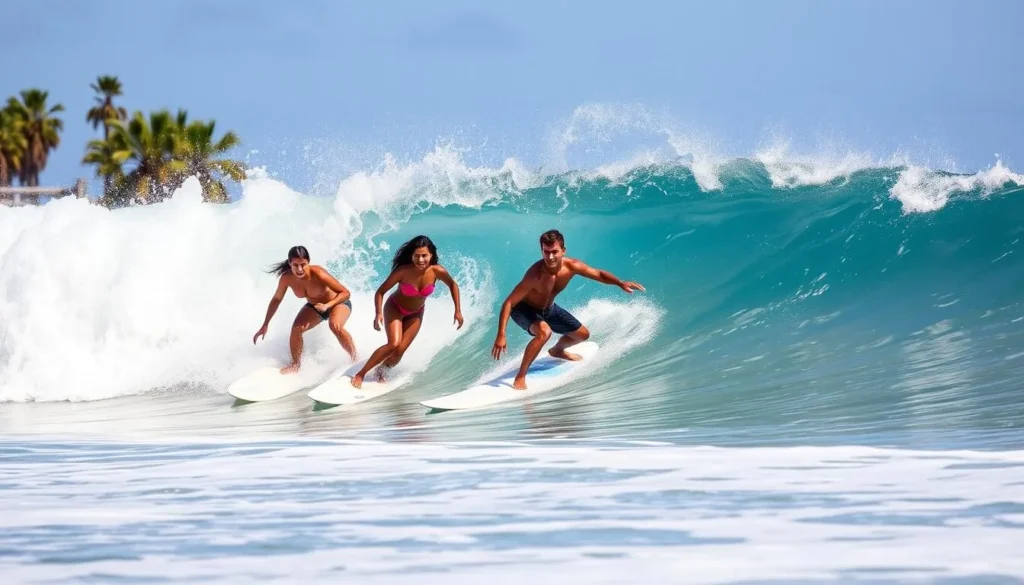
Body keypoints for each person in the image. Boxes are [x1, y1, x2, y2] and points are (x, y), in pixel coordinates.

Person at [491, 229, 645, 390]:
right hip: (524, 309)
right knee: (544, 332)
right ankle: (520, 376)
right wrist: (501, 334)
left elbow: (598, 274)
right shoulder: (535, 275)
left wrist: (620, 283)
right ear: (541, 251)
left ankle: (557, 350)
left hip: (548, 309)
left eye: (554, 252)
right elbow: (509, 302)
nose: (550, 257)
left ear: (563, 251)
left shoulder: (572, 266)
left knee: (582, 335)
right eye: (546, 252)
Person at [351, 235, 464, 388]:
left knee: (400, 351)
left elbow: (452, 285)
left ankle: (381, 370)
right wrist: (378, 313)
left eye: (424, 255)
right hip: (395, 308)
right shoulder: (402, 271)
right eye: (417, 256)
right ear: (411, 255)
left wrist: (457, 310)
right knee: (394, 344)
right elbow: (380, 292)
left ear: (431, 255)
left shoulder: (437, 271)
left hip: (416, 313)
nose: (420, 260)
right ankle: (361, 373)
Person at [253, 245, 357, 374]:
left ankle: (355, 359)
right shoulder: (286, 278)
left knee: (335, 325)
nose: (300, 269)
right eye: (295, 265)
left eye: (303, 264)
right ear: (290, 263)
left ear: (308, 262)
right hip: (315, 306)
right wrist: (265, 324)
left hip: (338, 303)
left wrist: (328, 305)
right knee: (297, 329)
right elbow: (276, 300)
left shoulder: (318, 273)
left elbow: (345, 293)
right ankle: (296, 364)